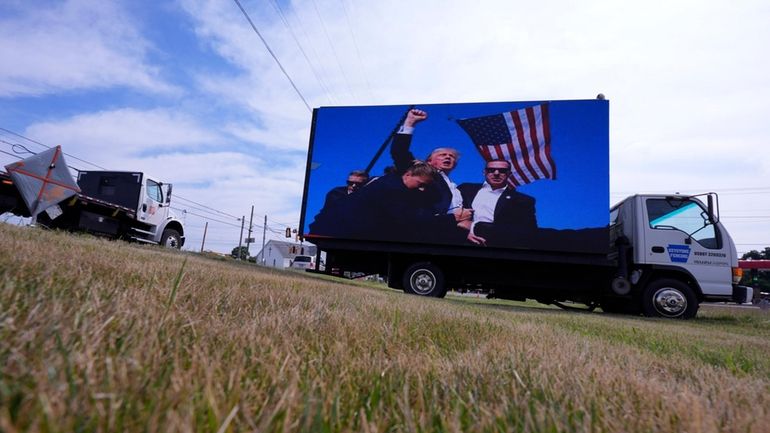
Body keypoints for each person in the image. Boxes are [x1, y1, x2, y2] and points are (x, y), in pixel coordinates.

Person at [309, 162, 446, 241]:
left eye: (359, 184)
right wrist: (449, 219)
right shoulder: (391, 189)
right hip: (334, 233)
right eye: (420, 184)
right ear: (408, 174)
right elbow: (406, 217)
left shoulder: (395, 188)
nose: (422, 189)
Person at [390, 109, 473, 230]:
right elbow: (399, 152)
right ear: (429, 161)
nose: (448, 157)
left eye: (452, 157)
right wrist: (409, 123)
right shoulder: (421, 173)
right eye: (442, 155)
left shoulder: (456, 188)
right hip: (426, 229)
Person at [458, 159, 537, 246]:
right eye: (491, 170)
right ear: (484, 172)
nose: (496, 173)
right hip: (460, 244)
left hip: (498, 247)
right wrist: (463, 234)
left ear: (509, 174)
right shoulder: (465, 189)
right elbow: (447, 211)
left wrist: (474, 227)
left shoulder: (523, 201)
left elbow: (528, 231)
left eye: (502, 171)